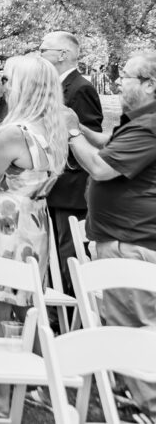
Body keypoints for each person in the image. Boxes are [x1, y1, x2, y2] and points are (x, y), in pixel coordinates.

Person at [0, 55, 67, 417]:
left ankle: (1, 398)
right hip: (34, 225)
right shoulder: (54, 130)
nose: (3, 85)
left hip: (5, 227)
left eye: (9, 79)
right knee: (29, 308)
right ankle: (49, 384)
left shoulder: (13, 134)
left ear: (24, 87)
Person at [64, 50, 156, 418]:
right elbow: (108, 146)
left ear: (149, 85)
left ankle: (150, 406)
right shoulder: (140, 121)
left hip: (131, 242)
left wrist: (71, 132)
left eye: (127, 77)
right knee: (123, 323)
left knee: (136, 329)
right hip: (123, 237)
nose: (117, 81)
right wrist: (82, 129)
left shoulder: (150, 127)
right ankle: (132, 395)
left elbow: (101, 169)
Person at [39, 30, 103, 295]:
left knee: (68, 259)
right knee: (54, 258)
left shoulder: (81, 88)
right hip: (54, 186)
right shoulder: (57, 86)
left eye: (44, 50)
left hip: (71, 189)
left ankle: (72, 318)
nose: (40, 55)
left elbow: (86, 134)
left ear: (62, 54)